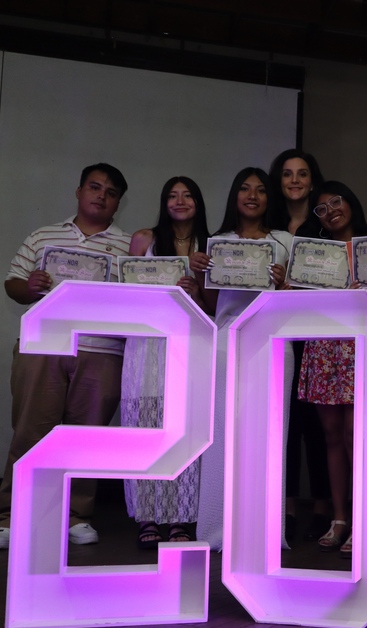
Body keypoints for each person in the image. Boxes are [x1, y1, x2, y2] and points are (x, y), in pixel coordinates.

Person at [0, 163, 132, 550]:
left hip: (102, 350)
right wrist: (29, 285)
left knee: (86, 439)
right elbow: (13, 284)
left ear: (118, 202)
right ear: (79, 191)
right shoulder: (43, 236)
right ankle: (9, 516)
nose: (101, 196)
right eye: (94, 187)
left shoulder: (128, 246)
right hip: (44, 346)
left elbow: (138, 298)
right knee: (30, 433)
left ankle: (76, 516)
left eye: (111, 192)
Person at [196, 167, 292, 550]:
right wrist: (199, 274)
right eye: (245, 189)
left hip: (273, 339)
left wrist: (284, 283)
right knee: (221, 433)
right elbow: (209, 304)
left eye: (261, 190)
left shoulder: (285, 242)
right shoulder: (217, 243)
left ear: (270, 198)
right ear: (235, 196)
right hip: (227, 340)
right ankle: (216, 531)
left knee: (270, 435)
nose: (252, 196)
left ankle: (263, 532)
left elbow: (299, 297)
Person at [121, 176, 212, 548]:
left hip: (190, 345)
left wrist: (197, 290)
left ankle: (179, 517)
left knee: (185, 428)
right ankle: (147, 516)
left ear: (198, 202)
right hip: (147, 346)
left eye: (187, 195)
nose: (180, 201)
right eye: (172, 196)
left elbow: (214, 308)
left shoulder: (209, 245)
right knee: (145, 426)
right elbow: (126, 295)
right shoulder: (144, 240)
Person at [297, 181, 367, 558]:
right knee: (330, 436)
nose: (331, 211)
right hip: (325, 345)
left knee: (355, 436)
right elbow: (299, 300)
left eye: (336, 202)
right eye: (321, 209)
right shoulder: (312, 252)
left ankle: (363, 521)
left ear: (351, 202)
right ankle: (340, 519)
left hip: (363, 346)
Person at [267, 149, 331, 542]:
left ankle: (324, 504)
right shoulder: (267, 227)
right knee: (284, 422)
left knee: (318, 424)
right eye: (287, 174)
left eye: (302, 173)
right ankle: (287, 504)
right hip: (275, 332)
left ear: (312, 180)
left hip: (317, 331)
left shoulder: (324, 224)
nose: (295, 180)